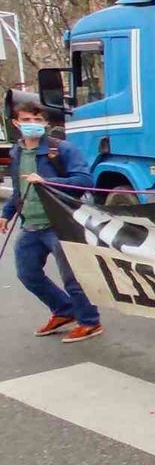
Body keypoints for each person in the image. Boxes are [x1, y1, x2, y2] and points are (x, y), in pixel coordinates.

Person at [0, 100, 103, 342]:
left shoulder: (62, 149)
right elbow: (19, 189)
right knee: (28, 274)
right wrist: (6, 214)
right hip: (31, 226)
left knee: (72, 278)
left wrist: (48, 182)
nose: (33, 124)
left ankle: (90, 321)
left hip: (61, 223)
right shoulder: (17, 152)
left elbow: (84, 181)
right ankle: (64, 310)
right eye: (27, 120)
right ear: (16, 123)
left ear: (46, 123)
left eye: (38, 120)